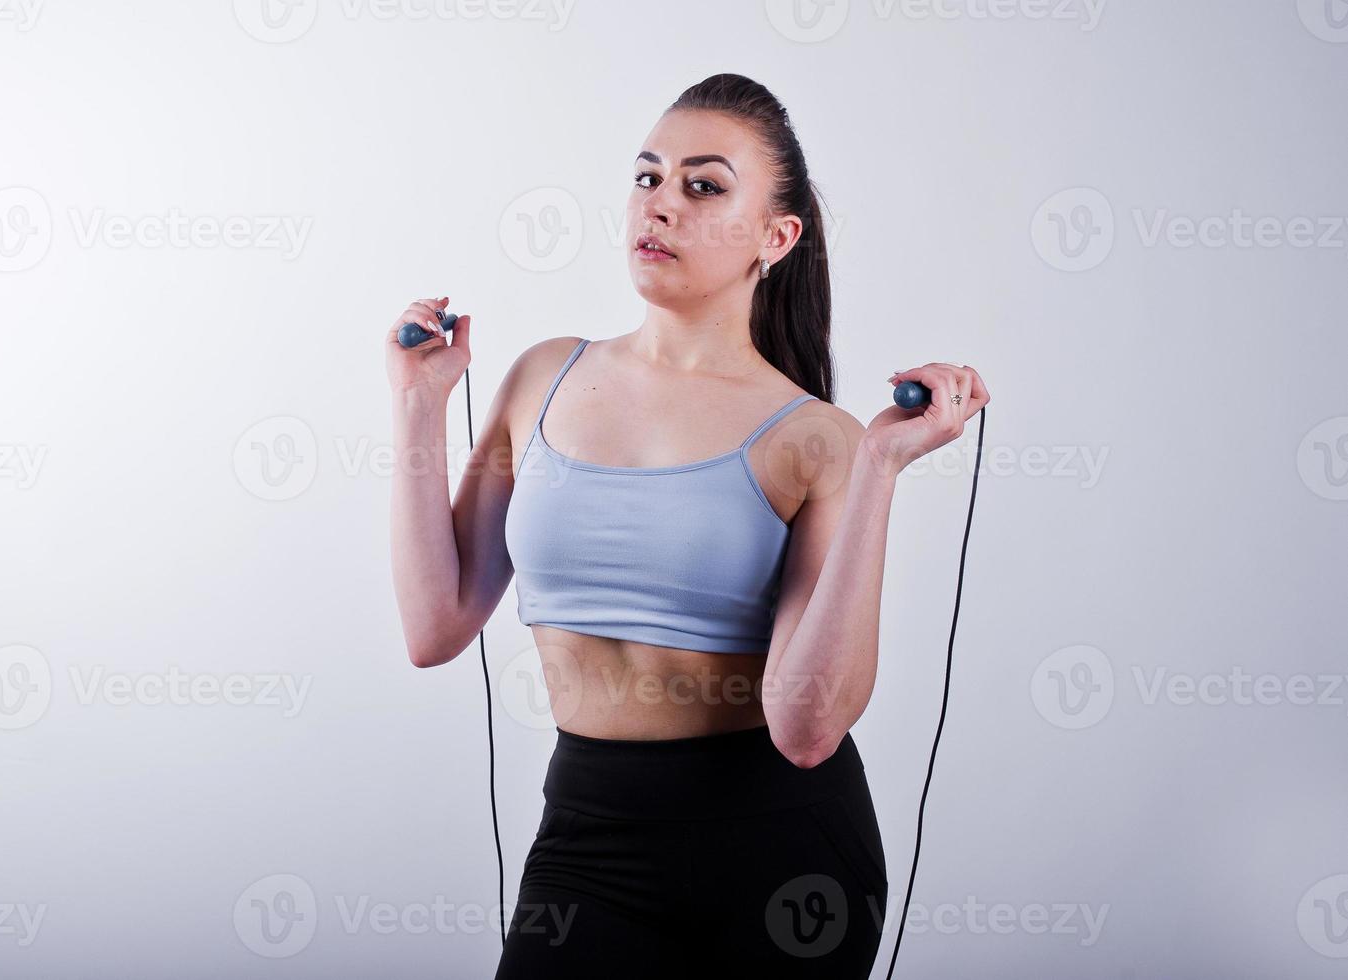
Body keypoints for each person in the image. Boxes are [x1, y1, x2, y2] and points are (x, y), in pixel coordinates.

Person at [386, 72, 990, 979]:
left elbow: (806, 727)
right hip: (587, 834)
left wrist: (877, 470)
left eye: (703, 186)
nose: (660, 204)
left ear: (775, 238)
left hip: (782, 849)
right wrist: (417, 407)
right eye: (647, 177)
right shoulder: (540, 377)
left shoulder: (819, 440)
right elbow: (434, 628)